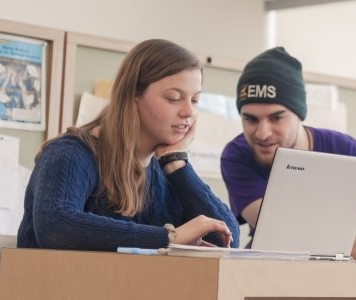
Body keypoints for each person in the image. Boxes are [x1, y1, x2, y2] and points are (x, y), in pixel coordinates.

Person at [17, 39, 240, 251]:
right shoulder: (70, 153)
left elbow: (226, 238)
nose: (189, 112)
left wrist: (177, 163)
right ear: (133, 95)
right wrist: (169, 237)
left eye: (195, 100)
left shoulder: (166, 172)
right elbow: (57, 226)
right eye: (173, 98)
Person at [220, 47, 356, 263]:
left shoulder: (350, 153)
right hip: (266, 278)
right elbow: (274, 224)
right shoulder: (238, 155)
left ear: (299, 114)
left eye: (276, 118)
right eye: (250, 119)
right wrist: (342, 243)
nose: (263, 133)